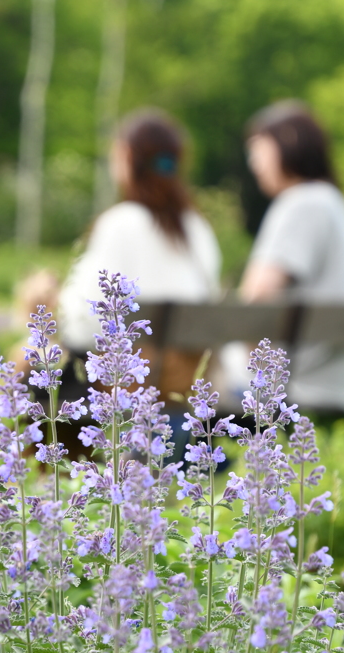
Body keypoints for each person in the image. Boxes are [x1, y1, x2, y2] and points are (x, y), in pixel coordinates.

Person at [56, 109, 222, 460]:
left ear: (128, 158)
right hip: (186, 388)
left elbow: (83, 323)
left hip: (123, 388)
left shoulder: (121, 223)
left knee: (31, 372)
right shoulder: (198, 229)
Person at [225, 100, 344, 412]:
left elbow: (257, 297)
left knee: (189, 384)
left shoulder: (301, 203)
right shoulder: (331, 201)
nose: (254, 163)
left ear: (288, 142)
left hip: (303, 382)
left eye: (258, 150)